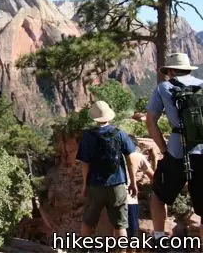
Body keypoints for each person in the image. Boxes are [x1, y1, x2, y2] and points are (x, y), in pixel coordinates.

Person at [146, 52, 203, 244]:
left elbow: (151, 121)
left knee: (158, 195)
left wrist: (163, 148)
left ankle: (160, 238)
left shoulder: (164, 87)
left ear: (170, 70)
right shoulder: (202, 85)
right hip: (202, 154)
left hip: (177, 152)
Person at [77, 100, 137, 246]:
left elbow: (85, 163)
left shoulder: (87, 136)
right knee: (120, 225)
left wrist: (85, 185)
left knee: (88, 222)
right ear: (109, 116)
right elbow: (130, 159)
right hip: (117, 184)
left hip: (95, 186)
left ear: (94, 118)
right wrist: (133, 182)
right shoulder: (120, 134)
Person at [125, 136, 154, 241]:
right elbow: (153, 177)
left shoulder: (113, 155)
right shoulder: (137, 155)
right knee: (132, 234)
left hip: (110, 197)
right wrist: (153, 158)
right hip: (129, 198)